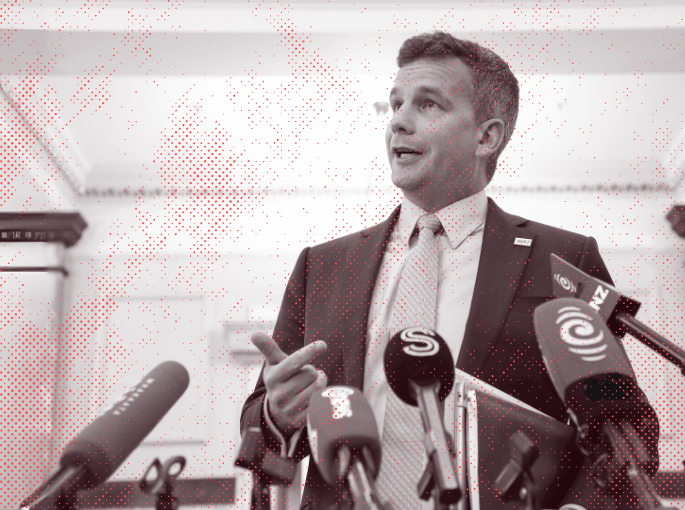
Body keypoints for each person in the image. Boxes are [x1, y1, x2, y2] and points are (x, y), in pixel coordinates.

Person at [240, 30, 660, 510]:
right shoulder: (323, 265)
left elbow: (625, 427)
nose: (398, 121)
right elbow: (257, 423)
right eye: (395, 104)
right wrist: (276, 413)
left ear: (487, 136)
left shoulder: (562, 259)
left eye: (428, 105)